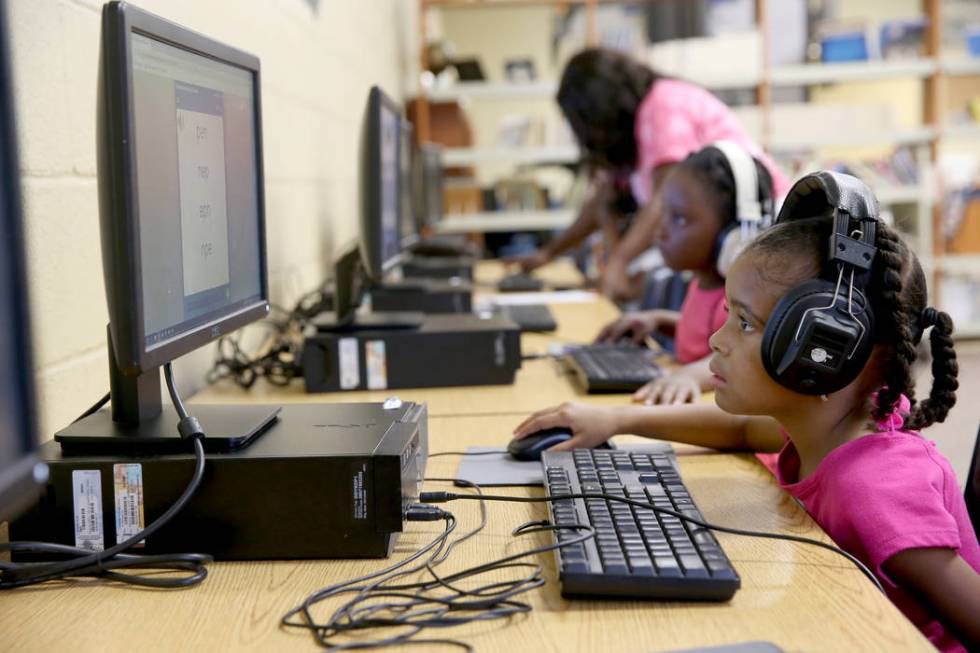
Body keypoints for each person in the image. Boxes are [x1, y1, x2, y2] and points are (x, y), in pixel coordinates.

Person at [512, 173, 980, 652]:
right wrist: (619, 421)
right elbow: (742, 431)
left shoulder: (873, 488)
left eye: (744, 322)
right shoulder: (829, 428)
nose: (717, 341)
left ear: (826, 348)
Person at [507, 48, 788, 301]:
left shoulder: (662, 105)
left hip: (758, 230)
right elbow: (599, 203)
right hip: (722, 245)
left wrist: (618, 261)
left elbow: (662, 198)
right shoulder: (634, 131)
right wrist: (549, 253)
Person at [594, 142, 773, 405]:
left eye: (679, 219)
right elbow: (704, 335)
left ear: (734, 236)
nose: (661, 231)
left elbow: (740, 358)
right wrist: (658, 320)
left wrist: (690, 376)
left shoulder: (739, 299)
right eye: (663, 214)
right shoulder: (702, 282)